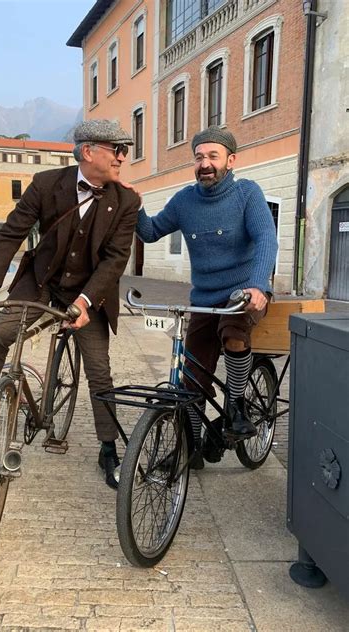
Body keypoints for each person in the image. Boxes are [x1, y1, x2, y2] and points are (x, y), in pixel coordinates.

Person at [0, 119, 141, 489]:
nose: (123, 158)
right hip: (42, 283)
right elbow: (10, 234)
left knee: (99, 371)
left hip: (88, 292)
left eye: (124, 151)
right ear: (88, 151)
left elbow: (115, 260)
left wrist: (83, 303)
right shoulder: (47, 185)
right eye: (117, 150)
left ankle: (108, 448)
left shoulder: (126, 200)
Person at [135, 126, 278, 469]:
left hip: (243, 293)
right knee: (191, 380)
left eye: (213, 156)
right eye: (199, 157)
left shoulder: (247, 193)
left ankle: (236, 406)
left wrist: (259, 285)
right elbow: (151, 232)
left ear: (230, 160)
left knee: (232, 333)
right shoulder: (185, 200)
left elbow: (265, 239)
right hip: (203, 298)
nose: (205, 163)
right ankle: (191, 448)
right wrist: (135, 206)